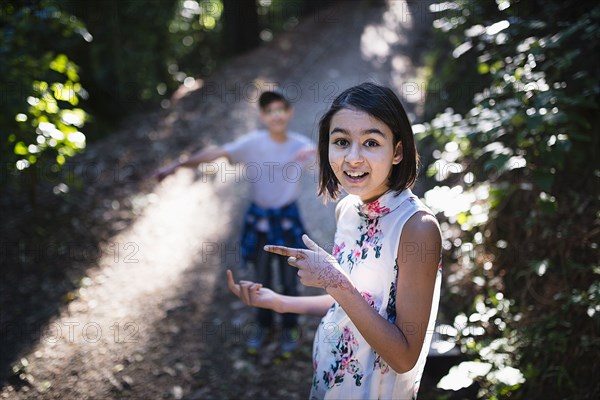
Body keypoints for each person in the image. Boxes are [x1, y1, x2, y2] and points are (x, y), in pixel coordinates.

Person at [227, 82, 442, 399]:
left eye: (371, 142)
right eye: (341, 141)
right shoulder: (347, 209)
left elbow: (404, 356)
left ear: (397, 151)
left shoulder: (418, 228)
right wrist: (278, 302)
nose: (352, 158)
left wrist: (333, 280)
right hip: (330, 382)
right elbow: (353, 300)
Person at [151, 89, 316, 356]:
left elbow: (331, 163)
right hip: (260, 222)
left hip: (287, 222)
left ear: (289, 113)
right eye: (270, 111)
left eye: (280, 110)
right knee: (261, 279)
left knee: (288, 280)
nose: (276, 116)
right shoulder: (251, 144)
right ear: (263, 116)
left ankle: (290, 326)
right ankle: (264, 325)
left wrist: (319, 152)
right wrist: (178, 165)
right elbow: (216, 153)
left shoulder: (301, 146)